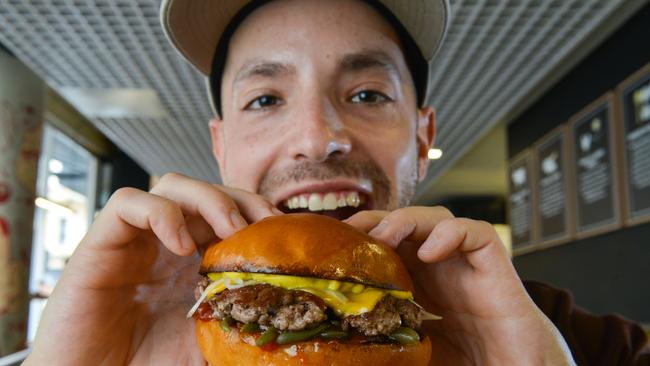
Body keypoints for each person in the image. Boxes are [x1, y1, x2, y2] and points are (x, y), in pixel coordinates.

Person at [22, 0, 648, 365]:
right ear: (220, 144)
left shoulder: (581, 342)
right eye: (266, 99)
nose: (318, 137)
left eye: (368, 93)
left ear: (423, 136)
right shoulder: (133, 322)